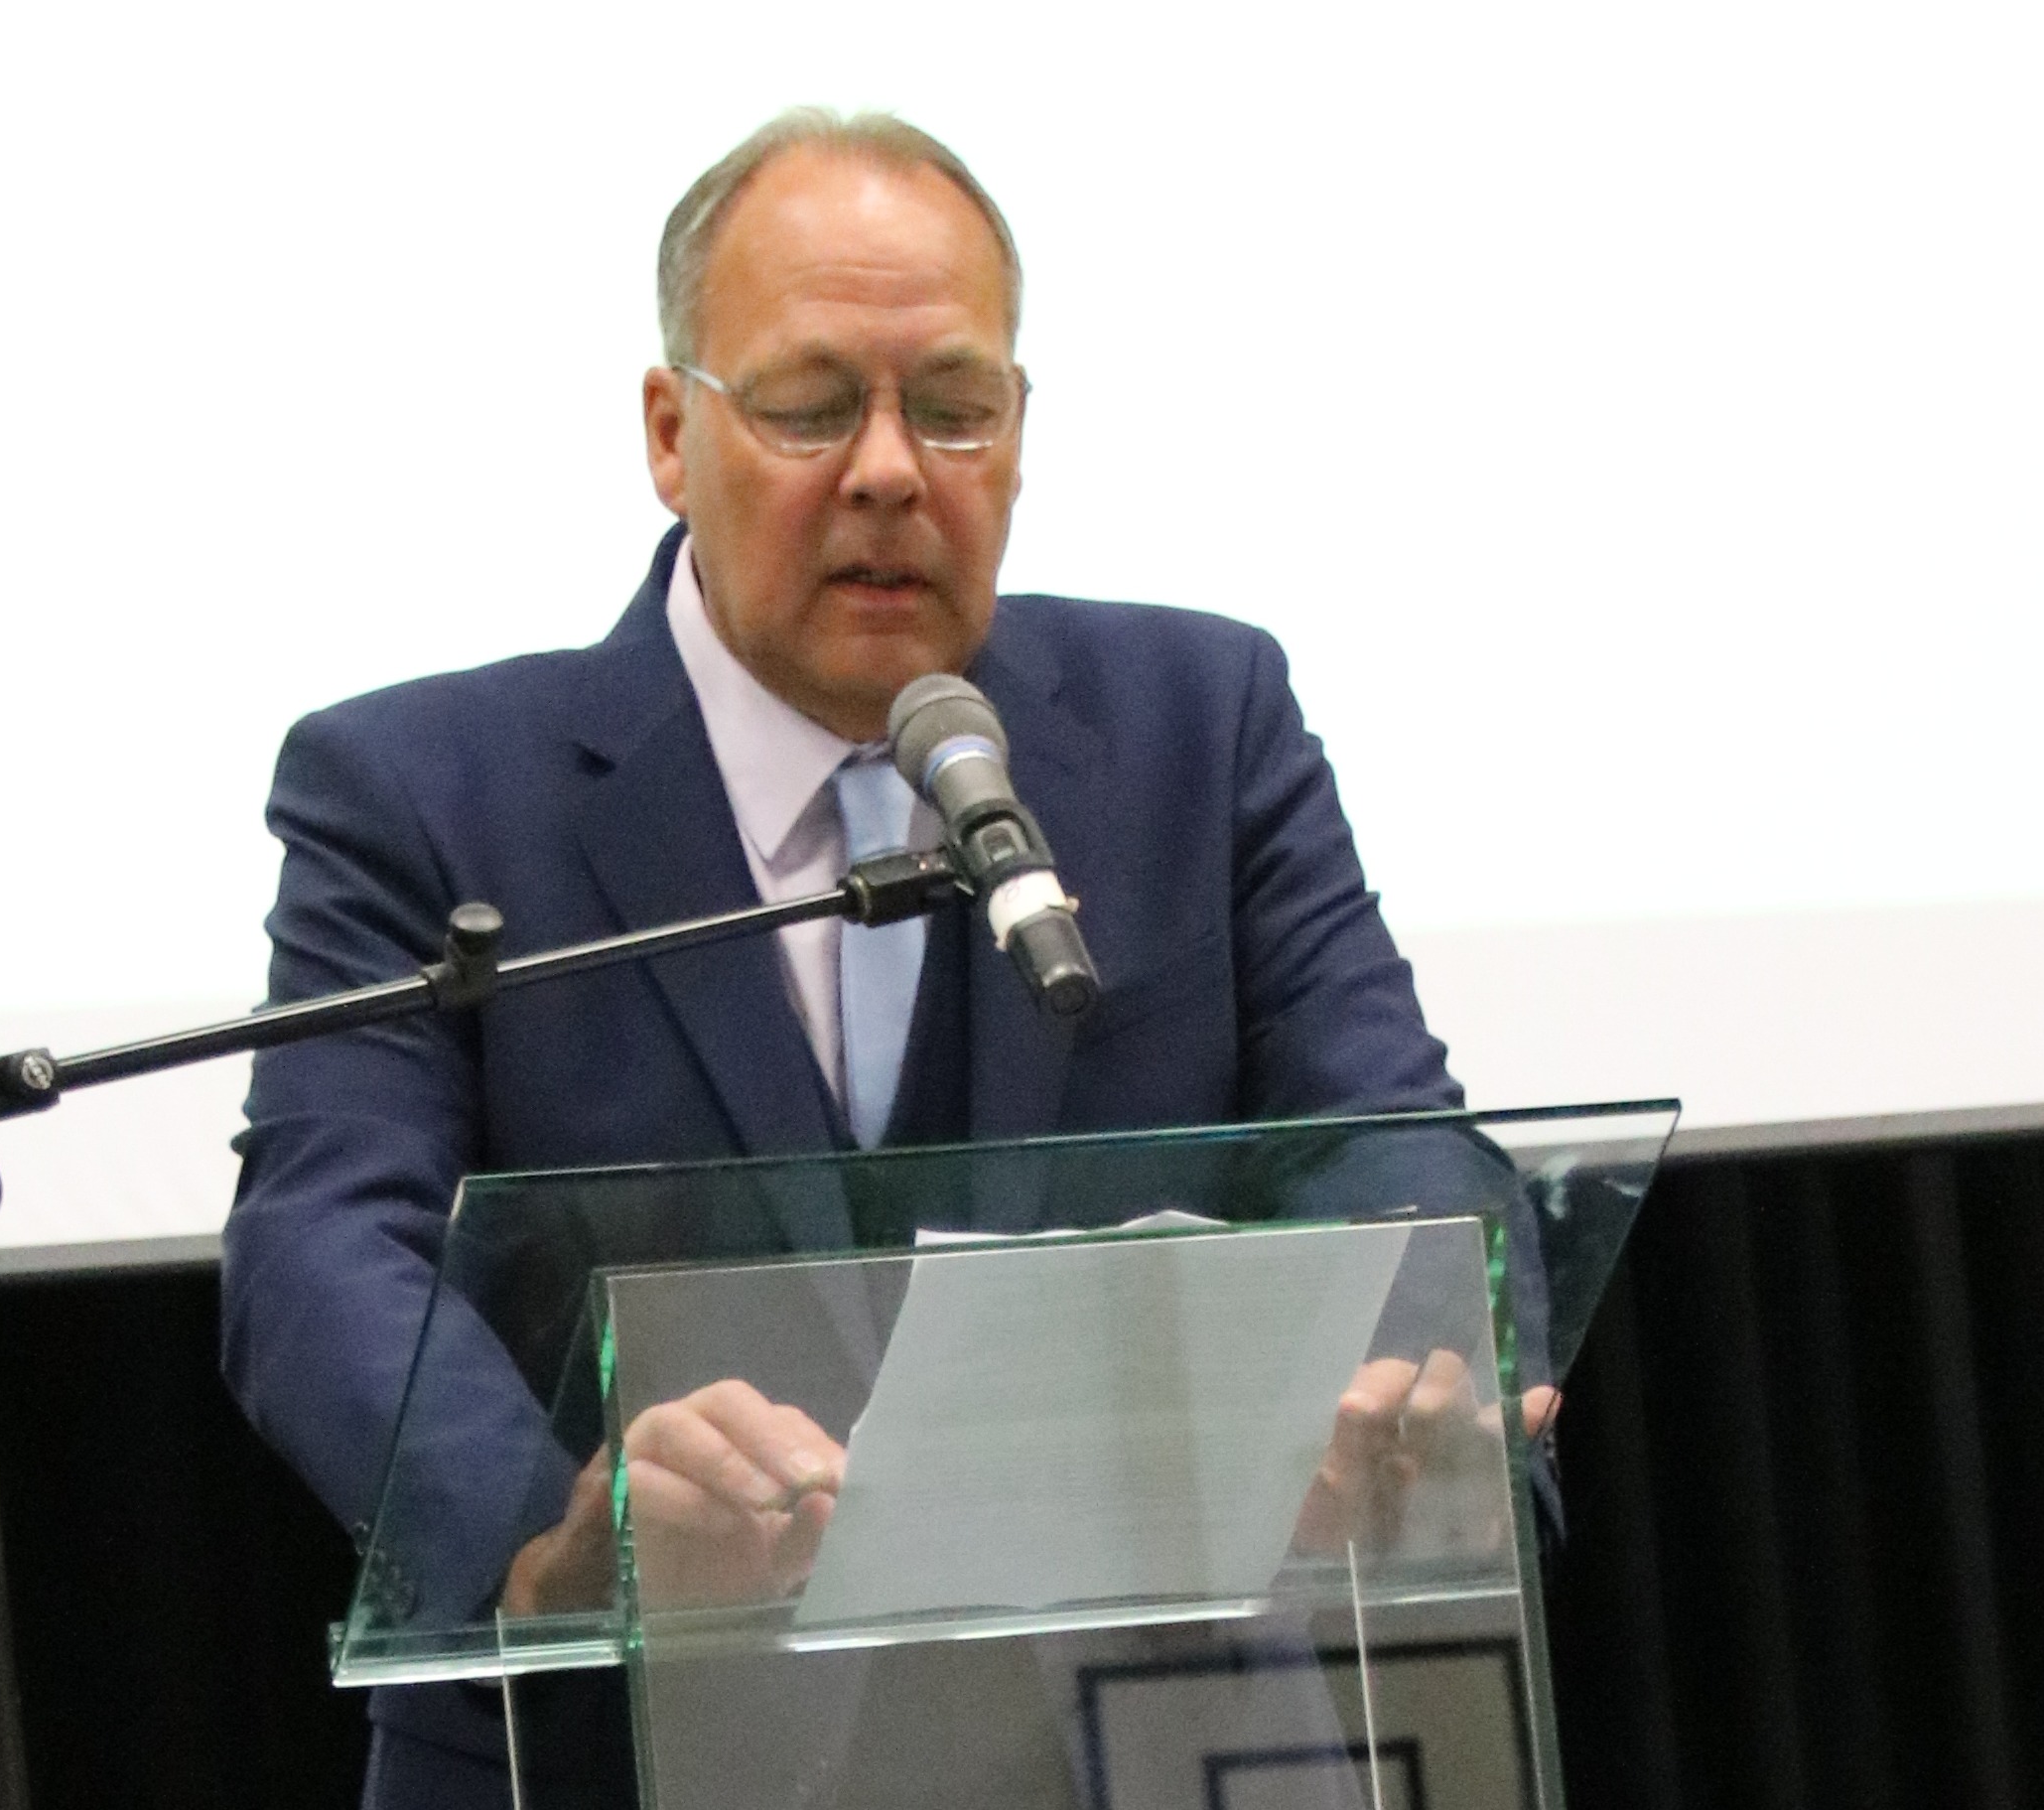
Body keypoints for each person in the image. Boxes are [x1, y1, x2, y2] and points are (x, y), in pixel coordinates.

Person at [223, 109, 1491, 1810]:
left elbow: (1389, 1139)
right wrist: (557, 1556)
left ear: (1019, 434)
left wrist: (1410, 1397)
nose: (891, 471)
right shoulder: (423, 792)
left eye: (952, 409)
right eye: (813, 407)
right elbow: (322, 1243)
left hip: (1155, 1734)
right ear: (670, 434)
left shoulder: (1201, 725)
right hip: (627, 1752)